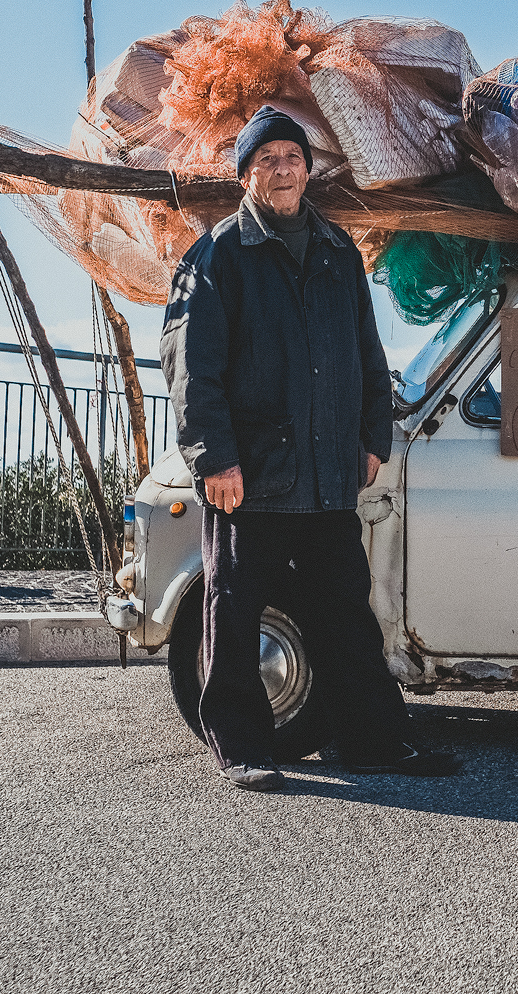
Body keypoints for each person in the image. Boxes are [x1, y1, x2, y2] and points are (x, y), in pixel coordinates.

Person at [162, 105, 461, 790]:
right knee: (234, 611)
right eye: (266, 160)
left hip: (327, 473)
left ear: (308, 168)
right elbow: (189, 362)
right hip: (253, 473)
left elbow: (365, 349)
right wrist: (214, 457)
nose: (282, 168)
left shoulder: (336, 251)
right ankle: (241, 746)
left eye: (291, 157)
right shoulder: (221, 254)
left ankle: (376, 741)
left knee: (346, 614)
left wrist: (372, 436)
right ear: (246, 176)